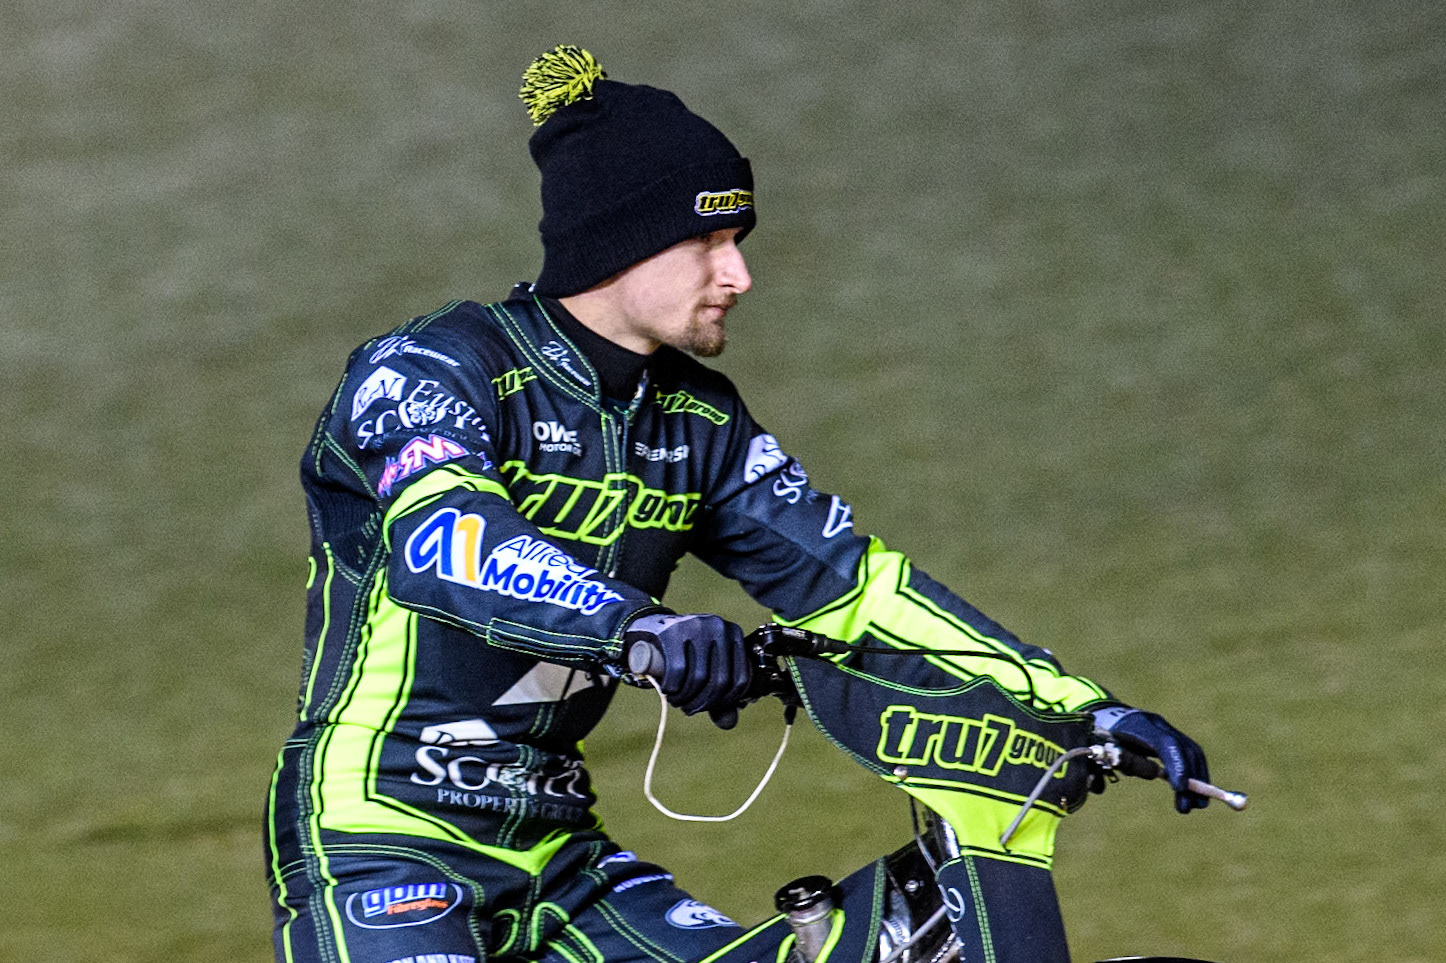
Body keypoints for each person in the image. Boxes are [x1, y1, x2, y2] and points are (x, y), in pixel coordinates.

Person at [265, 45, 1211, 963]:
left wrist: (1086, 710)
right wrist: (643, 630)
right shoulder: (435, 366)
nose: (739, 274)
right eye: (709, 240)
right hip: (376, 839)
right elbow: (448, 545)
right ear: (620, 240)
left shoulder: (695, 418)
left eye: (740, 241)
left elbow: (858, 589)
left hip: (563, 859)